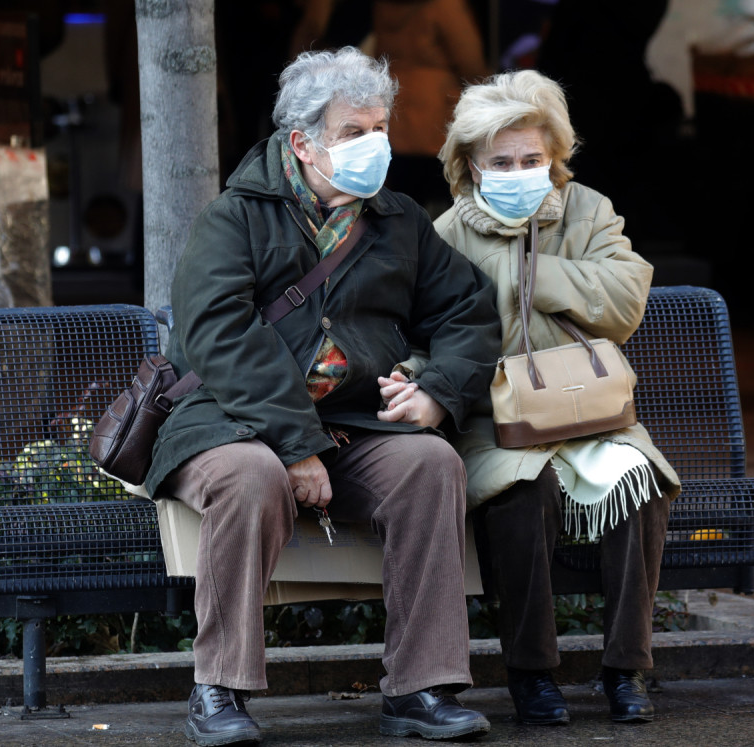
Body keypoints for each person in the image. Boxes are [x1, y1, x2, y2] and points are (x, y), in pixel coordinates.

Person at [145, 47, 501, 745]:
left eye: (380, 128)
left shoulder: (398, 221)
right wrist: (296, 443)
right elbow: (220, 337)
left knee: (432, 465)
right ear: (302, 143)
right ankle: (218, 689)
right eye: (353, 132)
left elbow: (469, 312)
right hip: (228, 425)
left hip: (354, 424)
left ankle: (421, 689)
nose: (376, 146)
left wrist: (436, 391)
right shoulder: (233, 218)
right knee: (251, 477)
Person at [381, 69, 682, 725]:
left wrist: (530, 275)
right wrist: (410, 378)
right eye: (502, 162)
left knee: (643, 486)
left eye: (533, 160)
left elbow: (627, 299)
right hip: (497, 420)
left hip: (590, 411)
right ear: (470, 164)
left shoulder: (588, 210)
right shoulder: (445, 234)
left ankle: (626, 669)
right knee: (519, 492)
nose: (519, 172)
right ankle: (532, 673)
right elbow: (419, 333)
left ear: (554, 157)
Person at [372, 0, 489, 216]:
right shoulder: (444, 6)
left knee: (402, 207)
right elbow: (471, 63)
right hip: (436, 122)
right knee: (446, 210)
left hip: (395, 117)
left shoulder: (385, 7)